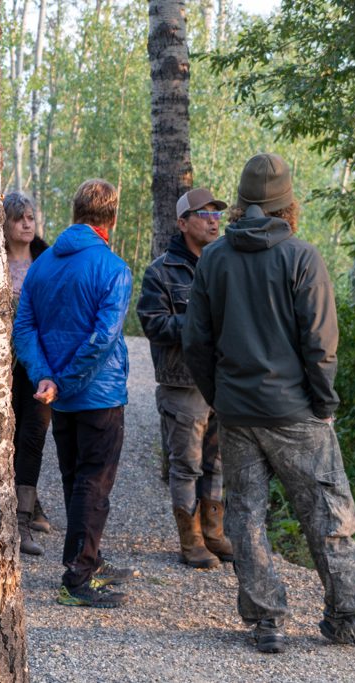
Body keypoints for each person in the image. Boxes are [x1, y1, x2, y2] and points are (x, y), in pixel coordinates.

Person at [183, 153, 355, 652]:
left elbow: (196, 343)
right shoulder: (302, 257)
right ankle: (348, 619)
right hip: (296, 412)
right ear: (287, 203)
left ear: (241, 203)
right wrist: (325, 404)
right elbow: (321, 345)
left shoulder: (214, 258)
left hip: (238, 412)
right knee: (328, 515)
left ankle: (266, 622)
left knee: (247, 517)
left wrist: (222, 398)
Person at [14, 179, 137, 608]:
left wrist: (46, 377)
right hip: (97, 396)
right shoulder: (113, 268)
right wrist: (61, 379)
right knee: (93, 484)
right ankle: (78, 578)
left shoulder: (42, 264)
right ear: (112, 218)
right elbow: (104, 338)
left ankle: (84, 558)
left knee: (75, 480)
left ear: (74, 213)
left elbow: (24, 329)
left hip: (60, 397)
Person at [137, 188, 234, 569]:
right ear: (182, 223)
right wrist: (201, 325)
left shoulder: (225, 265)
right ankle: (191, 540)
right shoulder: (160, 271)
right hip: (183, 382)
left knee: (218, 462)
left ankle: (214, 533)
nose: (213, 220)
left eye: (216, 214)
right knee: (186, 464)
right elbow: (154, 324)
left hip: (222, 382)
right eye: (203, 213)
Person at [3, 192, 52, 557]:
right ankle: (12, 507)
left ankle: (22, 519)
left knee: (33, 434)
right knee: (5, 433)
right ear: (3, 224)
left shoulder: (47, 260)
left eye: (30, 217)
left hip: (38, 364)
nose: (26, 223)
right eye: (18, 217)